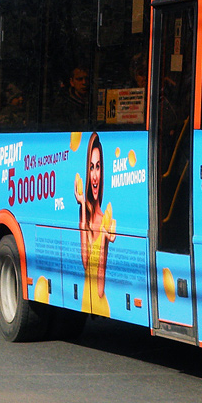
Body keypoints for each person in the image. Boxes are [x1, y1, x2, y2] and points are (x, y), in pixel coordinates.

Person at [75, 132, 115, 317]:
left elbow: (99, 290)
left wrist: (105, 239)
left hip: (100, 304)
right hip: (86, 301)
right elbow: (85, 261)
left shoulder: (107, 220)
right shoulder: (86, 215)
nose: (94, 176)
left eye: (98, 167)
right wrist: (83, 204)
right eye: (91, 168)